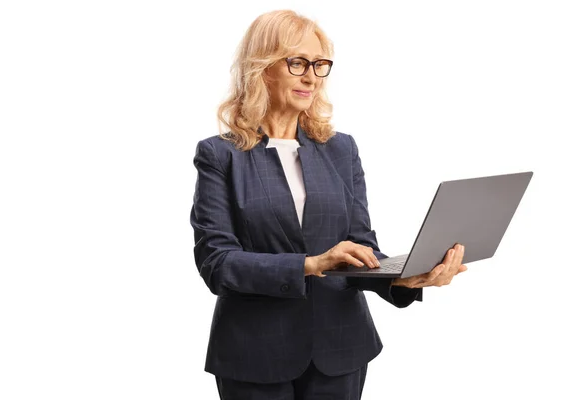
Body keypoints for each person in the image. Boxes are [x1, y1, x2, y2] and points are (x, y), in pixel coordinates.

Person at [190, 9, 467, 400]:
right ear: (262, 67)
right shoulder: (220, 155)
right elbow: (217, 263)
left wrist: (402, 278)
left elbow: (359, 245)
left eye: (320, 65)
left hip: (341, 349)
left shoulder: (340, 149)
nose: (311, 77)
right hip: (255, 354)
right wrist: (309, 265)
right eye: (298, 62)